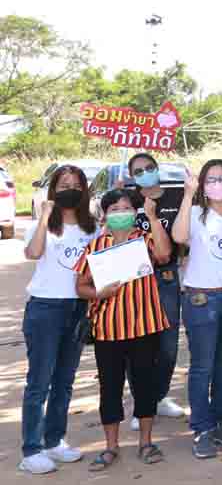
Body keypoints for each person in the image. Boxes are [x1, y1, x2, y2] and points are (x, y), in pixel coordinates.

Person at [74, 188, 172, 471]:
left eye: (127, 208)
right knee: (110, 389)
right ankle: (110, 447)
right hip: (108, 330)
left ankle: (146, 442)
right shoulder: (95, 246)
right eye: (114, 209)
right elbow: (80, 287)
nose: (121, 213)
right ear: (105, 214)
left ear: (136, 212)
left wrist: (152, 216)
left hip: (144, 327)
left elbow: (165, 254)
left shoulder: (144, 239)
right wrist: (99, 294)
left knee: (145, 386)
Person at [19, 165, 98, 474]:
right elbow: (33, 252)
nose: (70, 189)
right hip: (45, 310)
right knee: (39, 381)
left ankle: (54, 440)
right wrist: (43, 215)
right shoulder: (46, 224)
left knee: (64, 381)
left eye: (76, 185)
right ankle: (31, 449)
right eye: (64, 184)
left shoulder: (91, 227)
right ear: (53, 189)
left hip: (77, 309)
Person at [171, 160, 222, 459]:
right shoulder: (196, 213)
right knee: (202, 366)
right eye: (210, 179)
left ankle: (218, 420)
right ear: (202, 184)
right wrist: (188, 195)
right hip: (201, 299)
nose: (217, 184)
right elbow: (178, 237)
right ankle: (202, 428)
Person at [126, 153, 188, 423]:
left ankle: (158, 396)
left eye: (149, 168)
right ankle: (143, 404)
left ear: (158, 168)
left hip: (167, 276)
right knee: (138, 343)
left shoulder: (176, 195)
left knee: (167, 346)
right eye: (138, 171)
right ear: (132, 176)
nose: (145, 173)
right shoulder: (127, 199)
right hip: (134, 278)